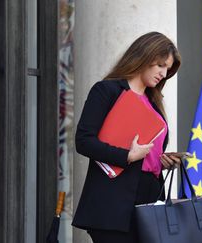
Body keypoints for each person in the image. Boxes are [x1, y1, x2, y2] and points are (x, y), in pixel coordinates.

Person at [72, 32, 182, 242]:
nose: (164, 73)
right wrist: (128, 156)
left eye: (167, 69)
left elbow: (145, 152)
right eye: (160, 65)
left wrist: (160, 161)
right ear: (144, 56)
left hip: (149, 203)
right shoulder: (107, 91)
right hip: (113, 205)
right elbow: (83, 141)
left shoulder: (154, 102)